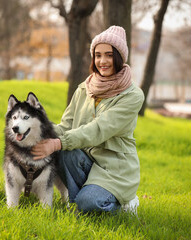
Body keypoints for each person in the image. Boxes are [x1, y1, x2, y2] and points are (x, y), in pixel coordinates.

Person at [31, 26, 144, 214]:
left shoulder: (132, 95)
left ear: (119, 57)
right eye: (98, 55)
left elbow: (98, 129)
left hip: (114, 170)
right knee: (61, 152)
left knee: (88, 203)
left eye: (109, 55)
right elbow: (65, 126)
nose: (103, 61)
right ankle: (80, 204)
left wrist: (58, 142)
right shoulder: (84, 88)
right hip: (85, 161)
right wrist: (38, 131)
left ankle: (125, 203)